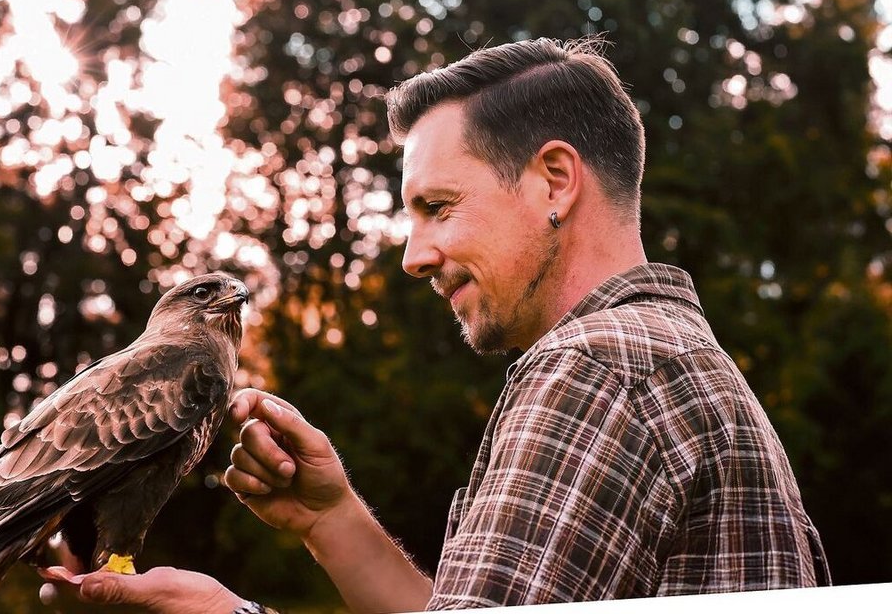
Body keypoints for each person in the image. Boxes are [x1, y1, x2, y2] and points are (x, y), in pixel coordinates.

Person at [41, 37, 830, 612]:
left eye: (438, 207)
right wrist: (332, 519)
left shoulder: (597, 370)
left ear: (555, 181)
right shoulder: (676, 359)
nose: (414, 256)